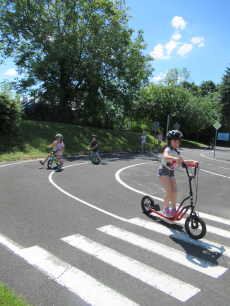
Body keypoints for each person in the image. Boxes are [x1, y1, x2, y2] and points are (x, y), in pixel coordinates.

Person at [157, 130, 199, 218]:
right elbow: (166, 157)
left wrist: (193, 162)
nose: (176, 143)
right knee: (169, 191)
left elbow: (182, 162)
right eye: (174, 141)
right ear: (169, 141)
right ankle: (165, 209)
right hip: (163, 171)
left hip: (171, 172)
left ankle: (173, 209)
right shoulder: (167, 149)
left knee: (175, 191)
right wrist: (175, 159)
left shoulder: (176, 152)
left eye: (178, 142)